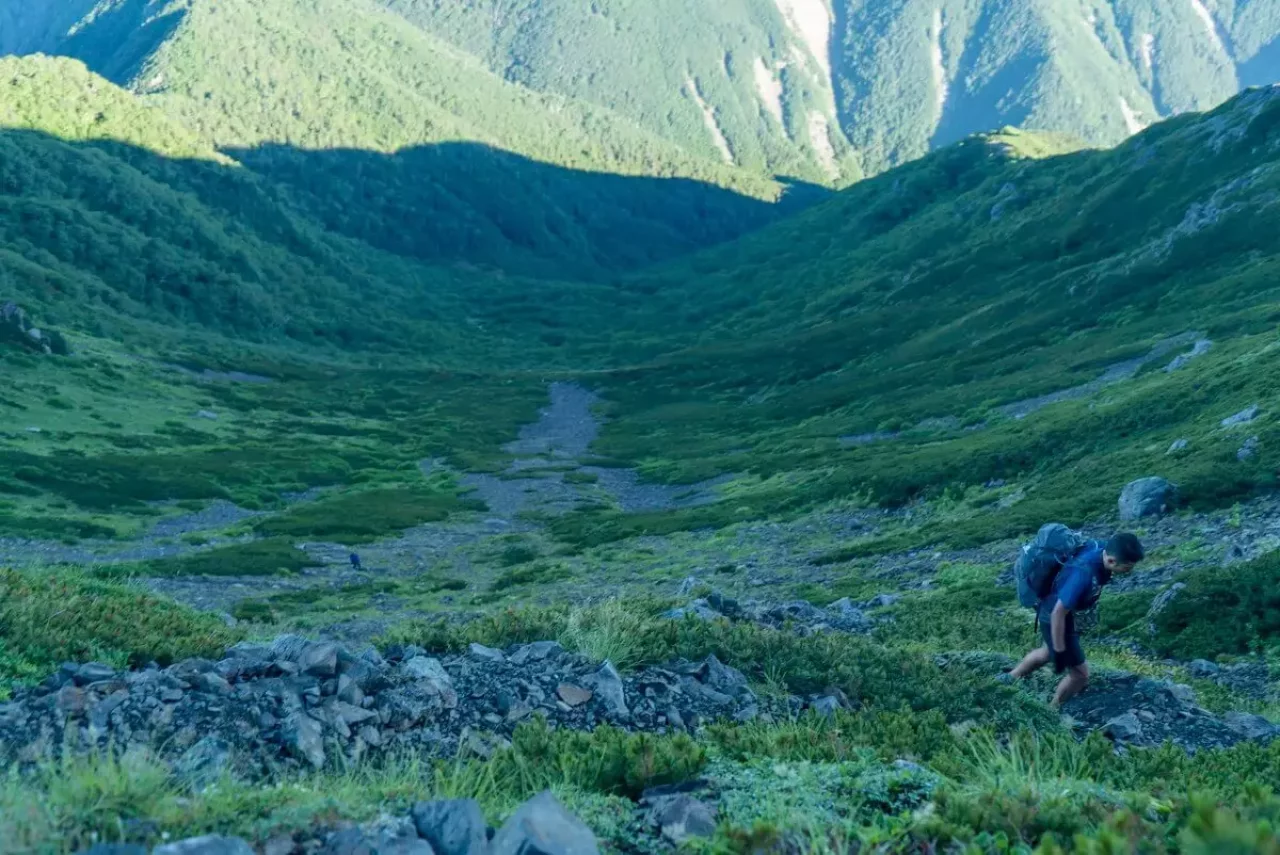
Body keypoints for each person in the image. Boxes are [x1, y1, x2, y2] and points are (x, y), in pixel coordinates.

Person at [1005, 532, 1145, 707]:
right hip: (1054, 616)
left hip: (1055, 608)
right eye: (1127, 567)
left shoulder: (1101, 547)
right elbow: (1058, 613)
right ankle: (1053, 710)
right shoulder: (1082, 574)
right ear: (1111, 561)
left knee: (1047, 652)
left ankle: (1009, 678)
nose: (1129, 571)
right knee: (1080, 675)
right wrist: (1061, 650)